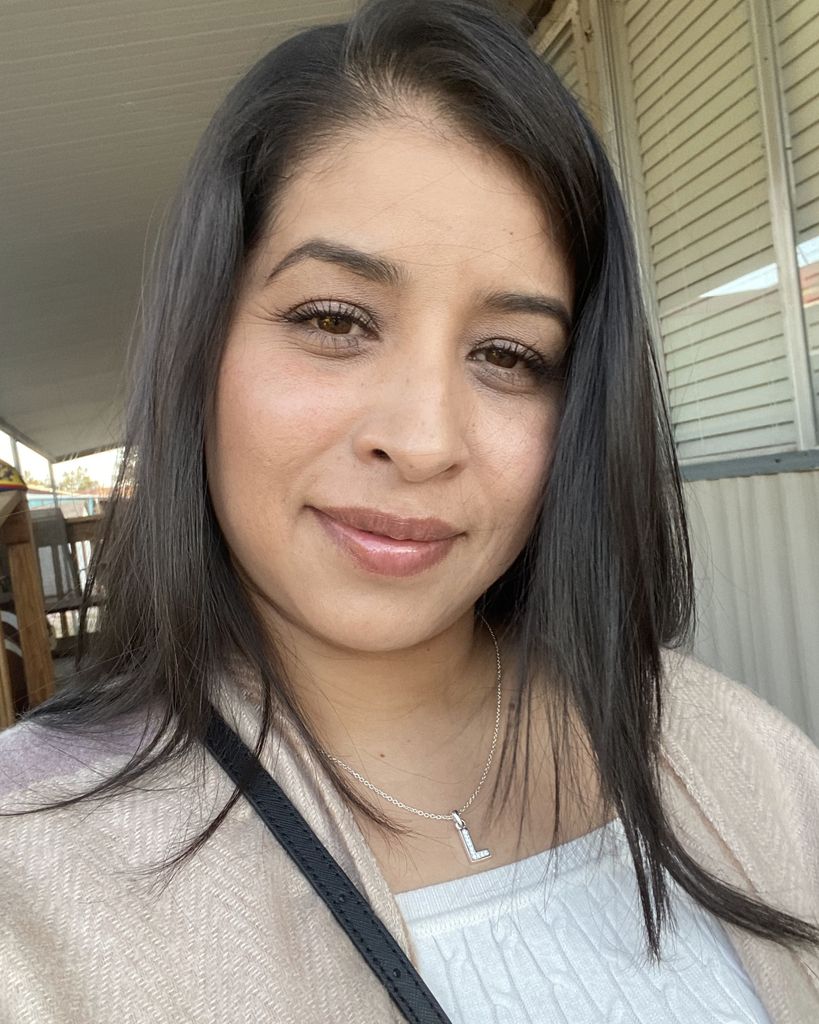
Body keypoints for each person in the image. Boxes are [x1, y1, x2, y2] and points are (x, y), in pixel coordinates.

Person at [1, 1, 817, 1021]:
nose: (425, 440)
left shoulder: (736, 753)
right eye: (335, 320)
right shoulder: (34, 871)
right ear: (199, 345)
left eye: (509, 355)